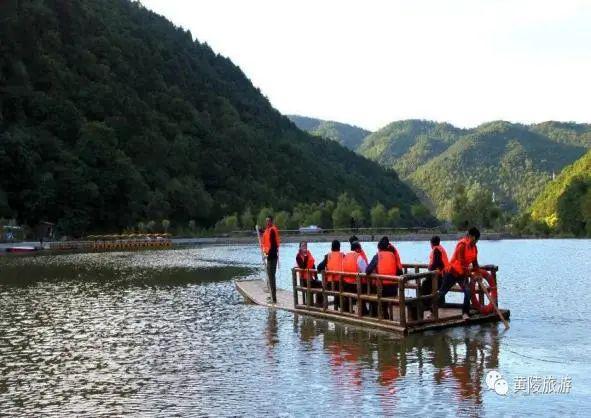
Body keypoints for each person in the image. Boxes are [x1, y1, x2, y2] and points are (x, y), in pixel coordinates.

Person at [437, 227, 480, 320]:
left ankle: (465, 313)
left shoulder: (475, 248)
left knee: (468, 292)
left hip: (462, 274)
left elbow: (475, 263)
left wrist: (478, 274)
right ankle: (431, 310)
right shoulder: (462, 245)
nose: (476, 242)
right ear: (472, 237)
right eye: (476, 239)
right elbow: (461, 261)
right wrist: (469, 272)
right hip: (452, 272)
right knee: (442, 292)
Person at [366, 236, 402, 319]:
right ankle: (384, 312)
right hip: (393, 289)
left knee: (370, 291)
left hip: (382, 289)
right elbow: (399, 272)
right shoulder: (393, 256)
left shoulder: (377, 256)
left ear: (379, 248)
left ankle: (374, 314)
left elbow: (368, 270)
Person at [422, 236, 449, 317]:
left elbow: (437, 263)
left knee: (424, 285)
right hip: (444, 276)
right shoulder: (441, 249)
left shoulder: (436, 250)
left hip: (439, 276)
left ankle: (426, 306)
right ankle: (432, 308)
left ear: (431, 243)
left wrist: (430, 268)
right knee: (430, 287)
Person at [317, 240, 345, 311]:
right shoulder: (343, 256)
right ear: (339, 247)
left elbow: (319, 267)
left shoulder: (328, 256)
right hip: (341, 285)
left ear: (331, 247)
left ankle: (321, 305)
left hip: (329, 286)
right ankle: (340, 306)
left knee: (320, 286)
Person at [342, 241, 369, 313]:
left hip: (347, 284)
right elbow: (365, 270)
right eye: (360, 249)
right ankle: (364, 310)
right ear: (357, 249)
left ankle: (346, 309)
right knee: (369, 287)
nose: (360, 251)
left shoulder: (345, 256)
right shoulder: (358, 257)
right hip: (357, 285)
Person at [295, 241, 322, 305]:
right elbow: (303, 267)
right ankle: (310, 304)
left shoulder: (309, 254)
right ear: (300, 247)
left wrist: (316, 278)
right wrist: (306, 256)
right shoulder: (298, 256)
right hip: (303, 280)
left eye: (305, 246)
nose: (305, 247)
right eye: (303, 246)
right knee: (309, 285)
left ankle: (320, 304)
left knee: (321, 284)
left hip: (310, 278)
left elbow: (313, 266)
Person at [261, 216, 280, 304]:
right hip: (270, 256)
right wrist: (261, 231)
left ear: (272, 221)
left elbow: (273, 246)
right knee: (269, 277)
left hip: (272, 257)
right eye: (266, 221)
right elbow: (266, 239)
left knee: (271, 277)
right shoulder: (268, 230)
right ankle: (271, 295)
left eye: (268, 221)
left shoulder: (272, 230)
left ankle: (274, 298)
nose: (267, 223)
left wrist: (267, 256)